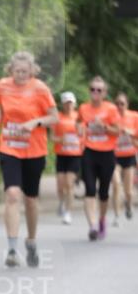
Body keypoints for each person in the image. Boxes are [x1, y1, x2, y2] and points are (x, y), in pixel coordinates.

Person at [0, 51, 58, 267]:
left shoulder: (40, 88)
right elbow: (2, 110)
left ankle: (31, 239)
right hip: (9, 147)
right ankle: (11, 249)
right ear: (11, 70)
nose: (21, 75)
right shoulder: (3, 85)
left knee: (30, 200)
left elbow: (54, 117)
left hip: (34, 150)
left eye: (25, 72)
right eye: (17, 71)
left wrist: (35, 122)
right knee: (11, 194)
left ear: (32, 71)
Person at [78, 76, 120, 240]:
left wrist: (104, 126)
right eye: (92, 89)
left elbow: (117, 131)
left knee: (103, 192)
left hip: (107, 154)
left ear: (104, 93)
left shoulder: (110, 109)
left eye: (99, 90)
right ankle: (93, 225)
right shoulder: (83, 108)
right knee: (89, 189)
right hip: (89, 151)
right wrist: (80, 129)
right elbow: (80, 123)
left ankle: (102, 219)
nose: (95, 92)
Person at [51, 91, 82, 225]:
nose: (68, 105)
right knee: (60, 185)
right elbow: (52, 137)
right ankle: (62, 202)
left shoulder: (79, 118)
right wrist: (60, 139)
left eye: (70, 103)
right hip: (61, 154)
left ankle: (68, 213)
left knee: (69, 184)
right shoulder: (57, 118)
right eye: (66, 103)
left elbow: (84, 135)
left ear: (74, 104)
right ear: (62, 104)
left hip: (75, 155)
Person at [111, 92, 137, 222]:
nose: (119, 106)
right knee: (116, 184)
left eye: (122, 103)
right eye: (117, 104)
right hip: (114, 156)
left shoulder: (134, 116)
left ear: (127, 104)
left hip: (129, 155)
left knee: (128, 191)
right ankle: (116, 214)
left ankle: (128, 204)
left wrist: (129, 132)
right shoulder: (111, 117)